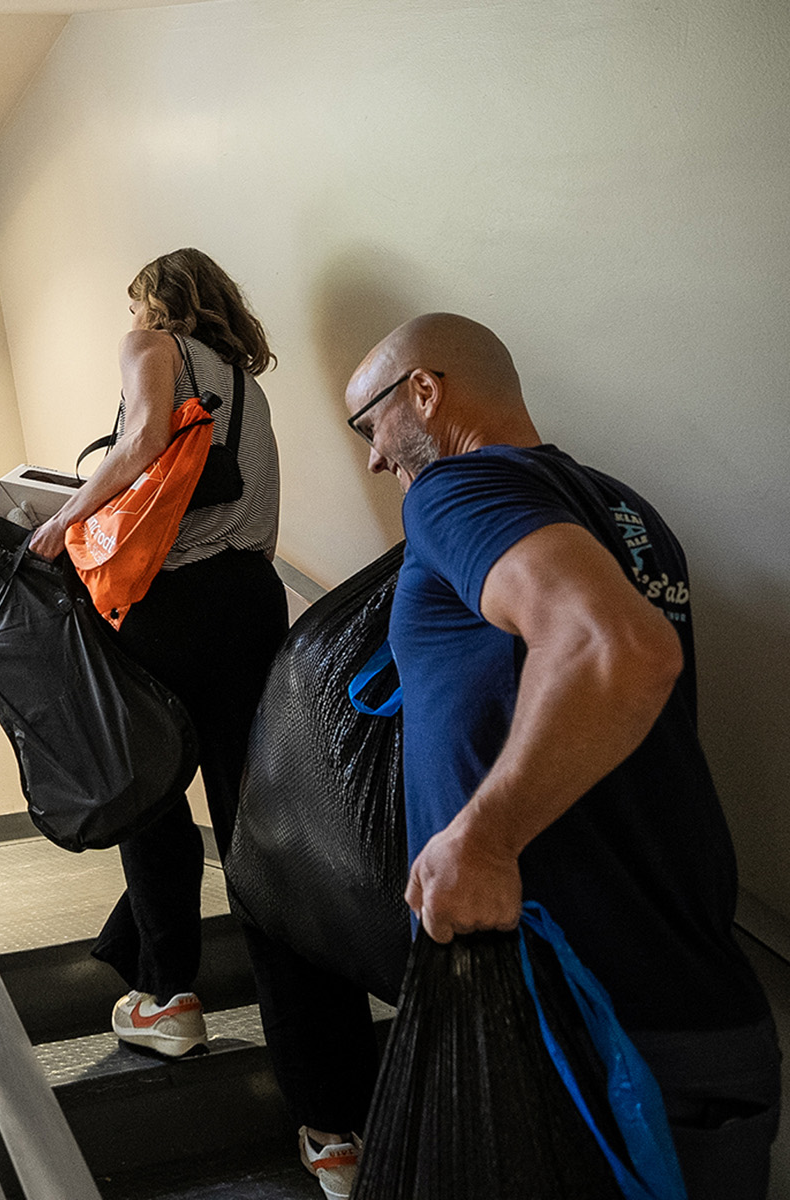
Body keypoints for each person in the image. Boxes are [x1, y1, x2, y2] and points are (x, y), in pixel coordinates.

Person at [349, 312, 779, 1198]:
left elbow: (612, 650)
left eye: (370, 425)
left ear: (424, 392)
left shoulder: (456, 492)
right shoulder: (627, 511)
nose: (375, 461)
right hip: (702, 1007)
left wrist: (487, 838)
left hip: (581, 1023)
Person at [29, 250, 377, 1197]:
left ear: (157, 299)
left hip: (165, 606)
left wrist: (64, 515)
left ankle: (171, 997)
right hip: (253, 607)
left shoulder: (150, 342)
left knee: (149, 800)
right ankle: (336, 1127)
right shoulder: (250, 392)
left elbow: (140, 444)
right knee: (263, 841)